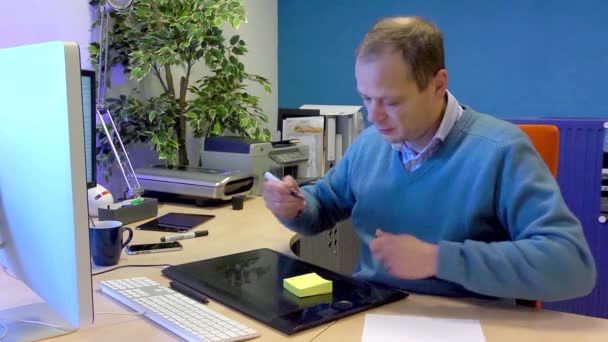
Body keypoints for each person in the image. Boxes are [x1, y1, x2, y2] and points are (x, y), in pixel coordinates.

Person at [263, 16, 596, 301]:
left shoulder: (501, 150)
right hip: (373, 311)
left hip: (466, 322)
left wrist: (439, 259)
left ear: (438, 84)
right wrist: (296, 206)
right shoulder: (371, 144)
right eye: (366, 97)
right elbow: (323, 204)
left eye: (391, 102)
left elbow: (572, 265)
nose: (373, 116)